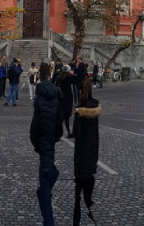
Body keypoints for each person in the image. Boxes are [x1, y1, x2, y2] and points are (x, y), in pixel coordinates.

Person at [31, 62, 64, 226]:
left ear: (39, 75)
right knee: (49, 175)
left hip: (43, 143)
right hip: (50, 141)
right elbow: (60, 121)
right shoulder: (56, 95)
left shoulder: (38, 98)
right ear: (50, 74)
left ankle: (49, 223)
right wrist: (55, 137)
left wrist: (36, 142)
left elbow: (35, 124)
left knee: (44, 185)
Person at [73, 79, 101, 225]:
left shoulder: (80, 112)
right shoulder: (95, 109)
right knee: (88, 195)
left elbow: (78, 140)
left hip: (82, 157)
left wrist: (76, 165)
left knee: (77, 197)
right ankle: (90, 211)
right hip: (91, 156)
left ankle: (77, 222)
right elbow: (96, 136)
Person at [58, 64, 75, 138]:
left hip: (61, 97)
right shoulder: (69, 77)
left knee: (63, 115)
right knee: (66, 115)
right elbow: (75, 81)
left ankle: (59, 130)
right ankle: (68, 132)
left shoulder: (59, 77)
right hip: (67, 97)